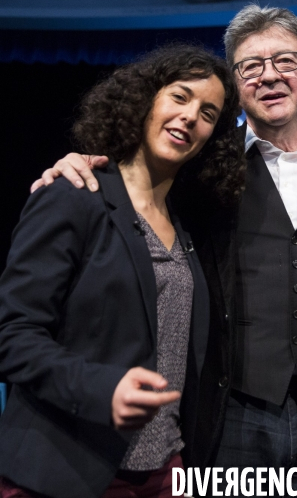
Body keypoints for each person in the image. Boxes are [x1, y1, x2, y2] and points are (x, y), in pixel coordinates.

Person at [32, 5, 297, 496]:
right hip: (231, 417)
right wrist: (80, 161)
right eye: (250, 67)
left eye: (285, 61)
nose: (269, 76)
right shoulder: (200, 165)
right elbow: (135, 177)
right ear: (237, 88)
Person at [0, 44, 244, 498]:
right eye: (180, 96)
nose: (191, 116)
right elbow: (12, 334)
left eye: (208, 112)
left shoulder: (189, 225)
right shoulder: (73, 194)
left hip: (165, 473)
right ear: (146, 98)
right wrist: (102, 388)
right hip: (66, 472)